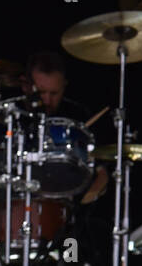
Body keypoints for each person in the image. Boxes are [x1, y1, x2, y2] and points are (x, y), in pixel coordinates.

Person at [22, 50, 109, 205]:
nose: (47, 100)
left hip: (63, 207)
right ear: (25, 86)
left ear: (64, 86)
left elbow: (101, 172)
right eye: (41, 92)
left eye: (54, 93)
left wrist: (87, 199)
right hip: (15, 203)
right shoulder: (12, 115)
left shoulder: (78, 116)